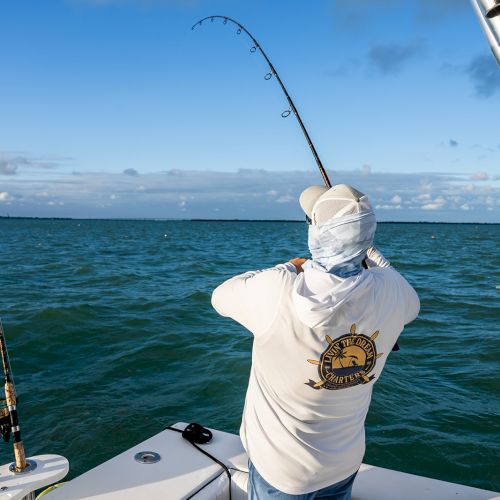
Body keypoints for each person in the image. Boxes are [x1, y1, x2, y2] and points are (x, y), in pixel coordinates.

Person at [211, 184, 420, 499]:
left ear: (316, 235)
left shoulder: (278, 290)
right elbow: (393, 278)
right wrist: (366, 248)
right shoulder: (395, 292)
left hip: (282, 473)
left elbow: (220, 296)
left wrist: (289, 267)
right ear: (368, 237)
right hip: (344, 465)